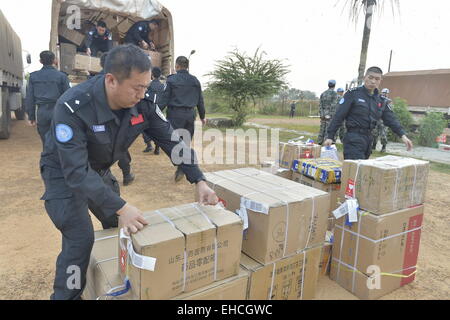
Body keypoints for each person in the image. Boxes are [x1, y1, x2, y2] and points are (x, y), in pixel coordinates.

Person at [40, 44, 218, 300]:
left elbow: (172, 141)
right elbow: (76, 172)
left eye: (146, 86)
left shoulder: (143, 103)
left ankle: (113, 278)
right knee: (80, 239)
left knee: (119, 226)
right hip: (63, 173)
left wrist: (198, 178)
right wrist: (122, 206)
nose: (143, 93)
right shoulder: (73, 107)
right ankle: (67, 295)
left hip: (98, 169)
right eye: (137, 87)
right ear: (111, 80)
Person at [323, 67, 413, 160]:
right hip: (353, 138)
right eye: (370, 78)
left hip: (368, 139)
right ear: (364, 78)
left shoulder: (380, 100)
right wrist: (330, 136)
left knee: (364, 171)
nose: (373, 81)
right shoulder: (352, 94)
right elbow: (339, 115)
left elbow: (391, 119)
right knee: (355, 171)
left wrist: (403, 136)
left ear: (380, 81)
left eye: (377, 79)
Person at [159, 56, 206, 182]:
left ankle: (181, 167)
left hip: (175, 115)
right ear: (187, 66)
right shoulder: (195, 81)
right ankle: (183, 166)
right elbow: (200, 100)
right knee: (185, 141)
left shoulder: (172, 80)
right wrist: (202, 116)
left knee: (175, 142)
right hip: (190, 115)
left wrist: (155, 111)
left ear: (177, 66)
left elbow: (164, 99)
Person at [98, 53, 135, 185]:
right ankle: (126, 175)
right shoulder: (122, 80)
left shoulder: (94, 81)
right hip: (117, 122)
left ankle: (103, 175)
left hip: (97, 126)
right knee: (120, 147)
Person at [25, 51, 70, 147]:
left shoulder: (33, 77)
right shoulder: (62, 76)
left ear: (40, 61)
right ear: (54, 60)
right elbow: (68, 97)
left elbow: (30, 98)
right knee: (60, 141)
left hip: (42, 112)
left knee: (45, 142)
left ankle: (48, 158)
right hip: (58, 111)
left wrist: (31, 116)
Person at [142, 67, 165, 155]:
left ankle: (149, 144)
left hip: (149, 109)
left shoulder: (149, 85)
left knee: (144, 128)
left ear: (152, 75)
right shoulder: (163, 86)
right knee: (158, 129)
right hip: (160, 110)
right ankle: (157, 148)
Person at [318, 80, 338, 145]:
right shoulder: (334, 94)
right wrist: (330, 114)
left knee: (322, 128)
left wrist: (321, 114)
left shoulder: (323, 93)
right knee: (328, 129)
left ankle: (319, 141)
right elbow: (333, 105)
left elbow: (320, 105)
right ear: (334, 85)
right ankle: (326, 142)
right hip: (330, 114)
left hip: (323, 113)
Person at [371, 88, 391, 153]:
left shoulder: (388, 102)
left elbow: (390, 112)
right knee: (374, 134)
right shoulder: (378, 100)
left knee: (383, 135)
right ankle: (373, 146)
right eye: (384, 93)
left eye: (386, 93)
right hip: (377, 120)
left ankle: (384, 147)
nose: (385, 94)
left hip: (384, 121)